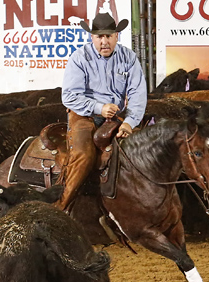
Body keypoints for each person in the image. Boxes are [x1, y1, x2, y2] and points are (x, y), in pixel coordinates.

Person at [58, 12, 147, 211]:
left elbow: (138, 94)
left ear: (116, 36)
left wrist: (129, 123)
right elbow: (70, 97)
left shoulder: (129, 57)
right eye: (100, 37)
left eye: (109, 36)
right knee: (84, 154)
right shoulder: (79, 58)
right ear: (92, 38)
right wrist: (100, 107)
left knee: (144, 151)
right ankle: (61, 206)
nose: (104, 41)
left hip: (118, 117)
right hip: (84, 115)